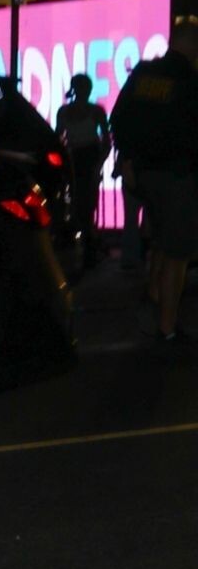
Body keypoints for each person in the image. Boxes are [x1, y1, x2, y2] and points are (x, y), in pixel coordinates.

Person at [111, 19, 198, 346]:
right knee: (177, 253)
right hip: (177, 175)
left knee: (160, 240)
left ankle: (153, 297)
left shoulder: (143, 73)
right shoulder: (189, 80)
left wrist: (128, 160)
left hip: (143, 174)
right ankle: (167, 327)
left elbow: (118, 118)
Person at [55, 72, 110, 265]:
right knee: (82, 203)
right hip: (80, 159)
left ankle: (86, 243)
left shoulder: (72, 112)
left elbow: (58, 139)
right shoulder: (94, 111)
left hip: (83, 159)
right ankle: (87, 243)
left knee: (83, 203)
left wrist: (98, 164)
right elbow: (106, 141)